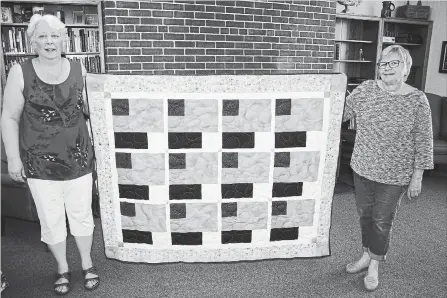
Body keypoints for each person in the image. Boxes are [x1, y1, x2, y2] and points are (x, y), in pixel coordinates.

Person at [1, 14, 99, 295]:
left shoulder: (81, 70)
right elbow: (9, 117)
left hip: (80, 160)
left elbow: (92, 111)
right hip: (39, 162)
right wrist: (14, 158)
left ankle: (87, 263)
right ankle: (62, 268)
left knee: (81, 215)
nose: (49, 42)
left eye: (55, 36)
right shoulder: (20, 71)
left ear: (64, 40)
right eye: (42, 36)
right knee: (51, 218)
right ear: (33, 41)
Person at [342, 45, 434, 291]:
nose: (387, 67)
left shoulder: (417, 100)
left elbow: (424, 140)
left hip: (395, 175)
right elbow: (339, 113)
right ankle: (365, 254)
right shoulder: (366, 91)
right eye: (383, 63)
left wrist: (418, 176)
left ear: (406, 69)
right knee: (365, 217)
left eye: (394, 63)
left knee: (382, 221)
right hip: (362, 167)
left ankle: (374, 265)